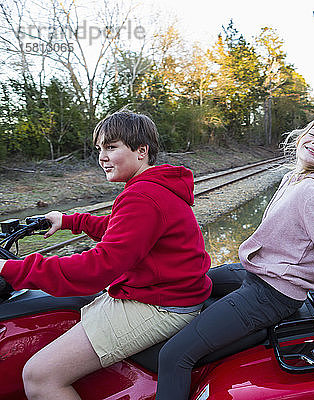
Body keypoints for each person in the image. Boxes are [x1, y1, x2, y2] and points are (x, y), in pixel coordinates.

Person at [156, 117, 314, 399]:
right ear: (301, 137)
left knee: (173, 357)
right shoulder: (295, 177)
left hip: (273, 292)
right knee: (196, 281)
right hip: (258, 274)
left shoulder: (312, 194)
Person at [0, 110, 212, 400]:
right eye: (99, 149)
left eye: (111, 147)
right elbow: (123, 231)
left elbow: (99, 267)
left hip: (160, 305)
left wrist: (12, 269)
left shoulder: (143, 195)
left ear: (141, 151)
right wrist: (71, 220)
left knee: (38, 376)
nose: (102, 156)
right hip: (160, 293)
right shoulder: (152, 187)